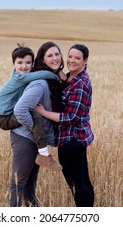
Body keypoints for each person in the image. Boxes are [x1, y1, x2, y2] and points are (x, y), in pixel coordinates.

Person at [35, 43, 95, 207]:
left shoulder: (80, 84)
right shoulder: (70, 77)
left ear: (85, 61)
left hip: (72, 140)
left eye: (77, 58)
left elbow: (70, 117)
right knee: (82, 181)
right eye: (69, 56)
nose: (72, 60)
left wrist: (43, 112)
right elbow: (61, 78)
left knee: (77, 184)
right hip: (70, 139)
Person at [9, 41, 65, 206]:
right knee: (19, 183)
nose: (55, 58)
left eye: (57, 54)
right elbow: (20, 110)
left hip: (33, 138)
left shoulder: (50, 80)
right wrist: (35, 129)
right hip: (25, 138)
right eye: (50, 55)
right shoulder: (40, 83)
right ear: (41, 60)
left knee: (29, 184)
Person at [0, 44, 62, 171]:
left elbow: (37, 74)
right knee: (36, 117)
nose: (24, 66)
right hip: (3, 118)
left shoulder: (25, 76)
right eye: (20, 62)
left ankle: (43, 152)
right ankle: (44, 155)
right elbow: (43, 74)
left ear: (32, 64)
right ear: (13, 64)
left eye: (28, 62)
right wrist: (57, 76)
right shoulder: (20, 77)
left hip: (7, 114)